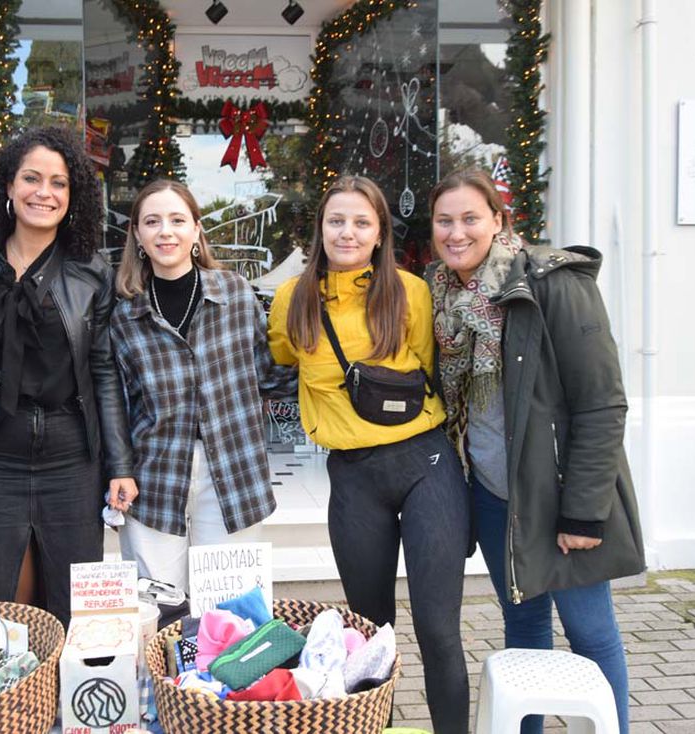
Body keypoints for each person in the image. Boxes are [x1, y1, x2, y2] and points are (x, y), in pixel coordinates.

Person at [427, 168, 644, 734]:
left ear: (498, 221)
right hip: (493, 496)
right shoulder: (441, 295)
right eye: (444, 221)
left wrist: (584, 511)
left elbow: (602, 404)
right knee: (523, 630)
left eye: (470, 218)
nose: (456, 233)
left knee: (591, 634)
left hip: (558, 499)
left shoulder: (553, 284)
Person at [268, 175, 470, 733]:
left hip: (425, 465)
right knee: (371, 631)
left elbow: (429, 368)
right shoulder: (292, 299)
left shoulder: (411, 292)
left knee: (438, 629)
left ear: (380, 233)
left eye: (362, 222)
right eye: (337, 221)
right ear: (320, 228)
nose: (348, 232)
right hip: (353, 478)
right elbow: (282, 358)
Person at [0, 125, 137, 626]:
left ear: (72, 195)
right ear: (8, 185)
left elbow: (103, 371)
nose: (45, 192)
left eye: (59, 183)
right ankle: (14, 681)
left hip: (70, 457)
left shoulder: (91, 271)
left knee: (72, 603)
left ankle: (65, 681)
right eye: (32, 179)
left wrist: (120, 464)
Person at [109, 179, 295, 593]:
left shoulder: (235, 293)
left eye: (177, 220)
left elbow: (266, 372)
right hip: (154, 475)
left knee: (231, 609)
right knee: (157, 605)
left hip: (233, 468)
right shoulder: (126, 316)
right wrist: (117, 470)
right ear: (137, 235)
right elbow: (119, 405)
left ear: (196, 230)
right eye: (152, 222)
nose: (166, 231)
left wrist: (326, 370)